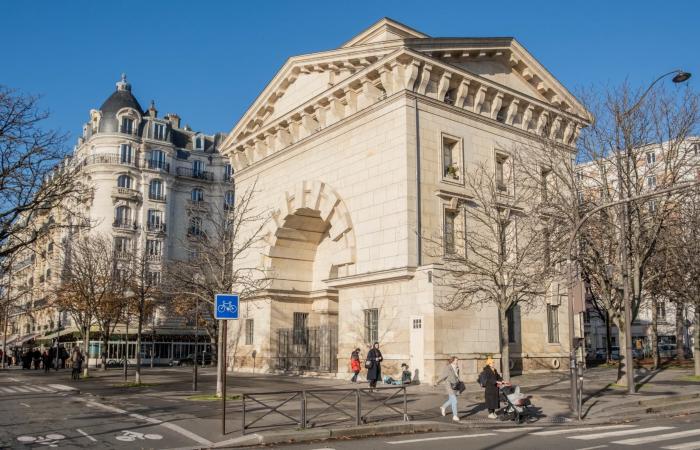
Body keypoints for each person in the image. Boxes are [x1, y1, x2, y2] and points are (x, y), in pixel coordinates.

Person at [436, 356, 462, 422]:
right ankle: (455, 416)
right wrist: (437, 382)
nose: (457, 362)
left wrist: (459, 384)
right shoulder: (448, 368)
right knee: (454, 400)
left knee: (451, 399)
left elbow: (457, 377)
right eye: (456, 360)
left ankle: (443, 407)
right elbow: (443, 375)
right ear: (452, 361)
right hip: (449, 385)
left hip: (455, 385)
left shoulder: (457, 368)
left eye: (457, 360)